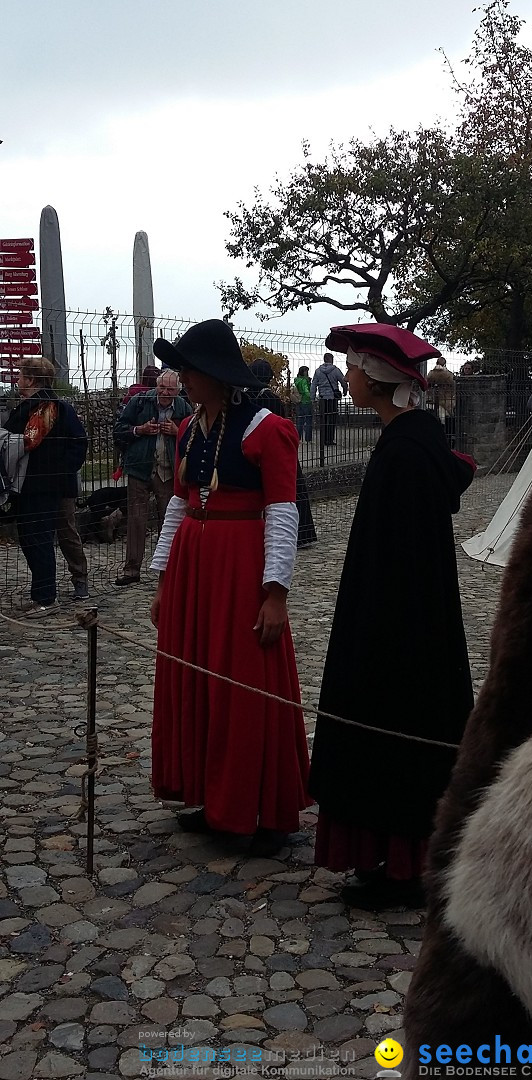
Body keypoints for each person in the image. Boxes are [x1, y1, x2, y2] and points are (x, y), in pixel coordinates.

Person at [308, 322, 476, 911]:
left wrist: (374, 633)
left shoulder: (405, 453)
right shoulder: (407, 443)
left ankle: (403, 865)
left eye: (355, 369)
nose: (349, 377)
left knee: (398, 732)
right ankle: (394, 858)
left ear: (375, 381)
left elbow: (401, 562)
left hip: (400, 631)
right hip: (401, 620)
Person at [149, 320, 311, 856]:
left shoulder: (266, 429)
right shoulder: (191, 429)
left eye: (190, 371)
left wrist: (276, 591)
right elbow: (178, 501)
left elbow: (282, 511)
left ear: (216, 376)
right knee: (198, 676)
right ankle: (209, 793)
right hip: (196, 567)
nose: (183, 379)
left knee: (242, 680)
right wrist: (164, 577)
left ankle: (258, 807)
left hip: (241, 566)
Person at [4, 357, 88, 617]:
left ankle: (45, 598)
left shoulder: (48, 407)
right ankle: (40, 593)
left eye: (21, 375)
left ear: (31, 380)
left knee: (38, 540)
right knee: (30, 540)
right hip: (32, 484)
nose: (17, 380)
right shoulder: (42, 406)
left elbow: (77, 442)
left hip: (39, 485)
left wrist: (59, 471)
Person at [114, 370, 192, 586]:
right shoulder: (139, 402)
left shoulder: (184, 407)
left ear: (178, 390)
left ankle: (169, 568)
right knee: (136, 519)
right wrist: (140, 430)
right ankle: (132, 570)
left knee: (169, 521)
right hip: (140, 468)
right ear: (156, 386)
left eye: (170, 389)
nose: (165, 393)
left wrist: (178, 432)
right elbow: (118, 430)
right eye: (162, 388)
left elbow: (195, 437)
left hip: (168, 470)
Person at [247, 359, 317, 548]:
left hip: (252, 452)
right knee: (290, 491)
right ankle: (300, 534)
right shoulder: (270, 397)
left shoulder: (244, 397)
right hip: (277, 451)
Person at [310, 352, 347, 445]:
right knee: (332, 419)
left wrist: (312, 398)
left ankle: (323, 439)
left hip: (322, 398)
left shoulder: (318, 371)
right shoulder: (336, 370)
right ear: (331, 359)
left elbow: (313, 385)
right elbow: (343, 381)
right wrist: (345, 391)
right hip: (332, 398)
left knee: (323, 419)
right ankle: (330, 439)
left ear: (324, 359)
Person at [293, 366, 313, 442]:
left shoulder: (296, 380)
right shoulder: (304, 381)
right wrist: (312, 397)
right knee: (308, 420)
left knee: (299, 420)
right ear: (304, 372)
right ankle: (308, 438)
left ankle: (298, 437)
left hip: (298, 401)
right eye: (306, 371)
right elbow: (306, 391)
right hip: (306, 401)